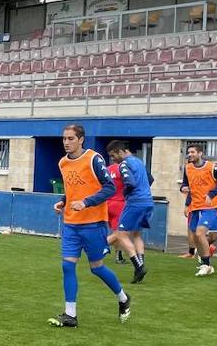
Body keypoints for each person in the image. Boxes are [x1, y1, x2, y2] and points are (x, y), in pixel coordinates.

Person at [47, 124, 132, 328]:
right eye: (64, 139)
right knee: (67, 265)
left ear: (81, 139)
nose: (66, 143)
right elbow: (73, 189)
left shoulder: (94, 159)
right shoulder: (63, 163)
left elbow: (109, 188)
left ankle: (123, 298)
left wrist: (86, 202)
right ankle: (70, 315)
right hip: (71, 223)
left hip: (93, 223)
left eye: (71, 139)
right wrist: (63, 201)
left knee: (97, 268)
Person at [106, 140, 154, 284]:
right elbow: (150, 179)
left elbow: (130, 183)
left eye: (113, 155)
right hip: (147, 201)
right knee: (137, 234)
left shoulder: (125, 164)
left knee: (120, 235)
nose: (113, 159)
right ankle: (140, 267)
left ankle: (139, 267)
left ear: (121, 152)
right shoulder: (139, 162)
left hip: (135, 203)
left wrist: (127, 193)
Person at [181, 144, 217, 277]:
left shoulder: (211, 167)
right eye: (189, 152)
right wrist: (183, 188)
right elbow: (185, 184)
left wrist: (211, 194)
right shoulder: (188, 168)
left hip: (210, 207)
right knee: (196, 236)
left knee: (200, 233)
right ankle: (206, 264)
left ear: (200, 153)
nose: (190, 154)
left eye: (193, 152)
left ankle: (206, 264)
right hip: (195, 207)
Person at [105, 156, 126, 264]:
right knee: (119, 233)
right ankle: (100, 247)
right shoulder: (123, 169)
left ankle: (119, 256)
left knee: (116, 231)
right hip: (119, 203)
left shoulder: (107, 169)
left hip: (107, 203)